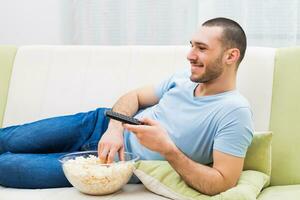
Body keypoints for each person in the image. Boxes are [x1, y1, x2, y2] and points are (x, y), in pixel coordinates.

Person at [0, 17, 253, 195]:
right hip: (96, 125)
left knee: (7, 167)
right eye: (191, 45)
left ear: (231, 56)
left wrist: (167, 149)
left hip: (113, 166)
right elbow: (134, 97)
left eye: (202, 48)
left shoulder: (234, 112)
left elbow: (222, 183)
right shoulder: (182, 79)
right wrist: (114, 129)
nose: (190, 54)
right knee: (8, 139)